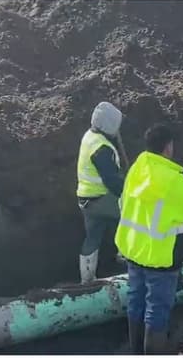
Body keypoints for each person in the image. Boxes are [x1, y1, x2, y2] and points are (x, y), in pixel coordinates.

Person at [116, 124, 183, 355]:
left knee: (136, 300)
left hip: (134, 249)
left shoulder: (137, 168)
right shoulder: (173, 179)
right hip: (160, 256)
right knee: (157, 309)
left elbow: (123, 202)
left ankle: (136, 350)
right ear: (168, 147)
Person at [77, 101, 126, 283]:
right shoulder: (102, 148)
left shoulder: (89, 136)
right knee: (133, 215)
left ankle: (87, 280)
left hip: (86, 199)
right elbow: (112, 181)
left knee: (93, 237)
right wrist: (128, 193)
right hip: (101, 199)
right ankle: (126, 256)